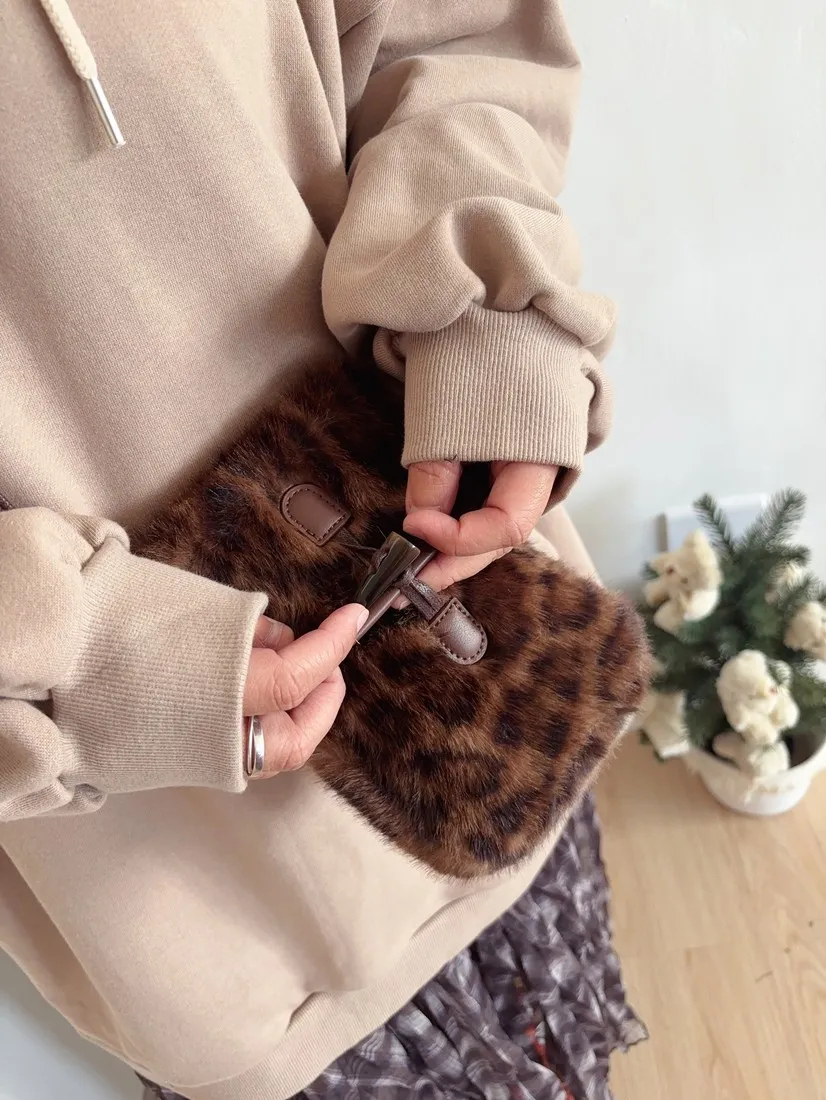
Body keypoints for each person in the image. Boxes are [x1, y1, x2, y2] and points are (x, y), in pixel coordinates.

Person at [0, 2, 622, 1097]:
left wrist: (492, 330)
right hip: (214, 923)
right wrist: (82, 661)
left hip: (500, 719)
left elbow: (449, 34)